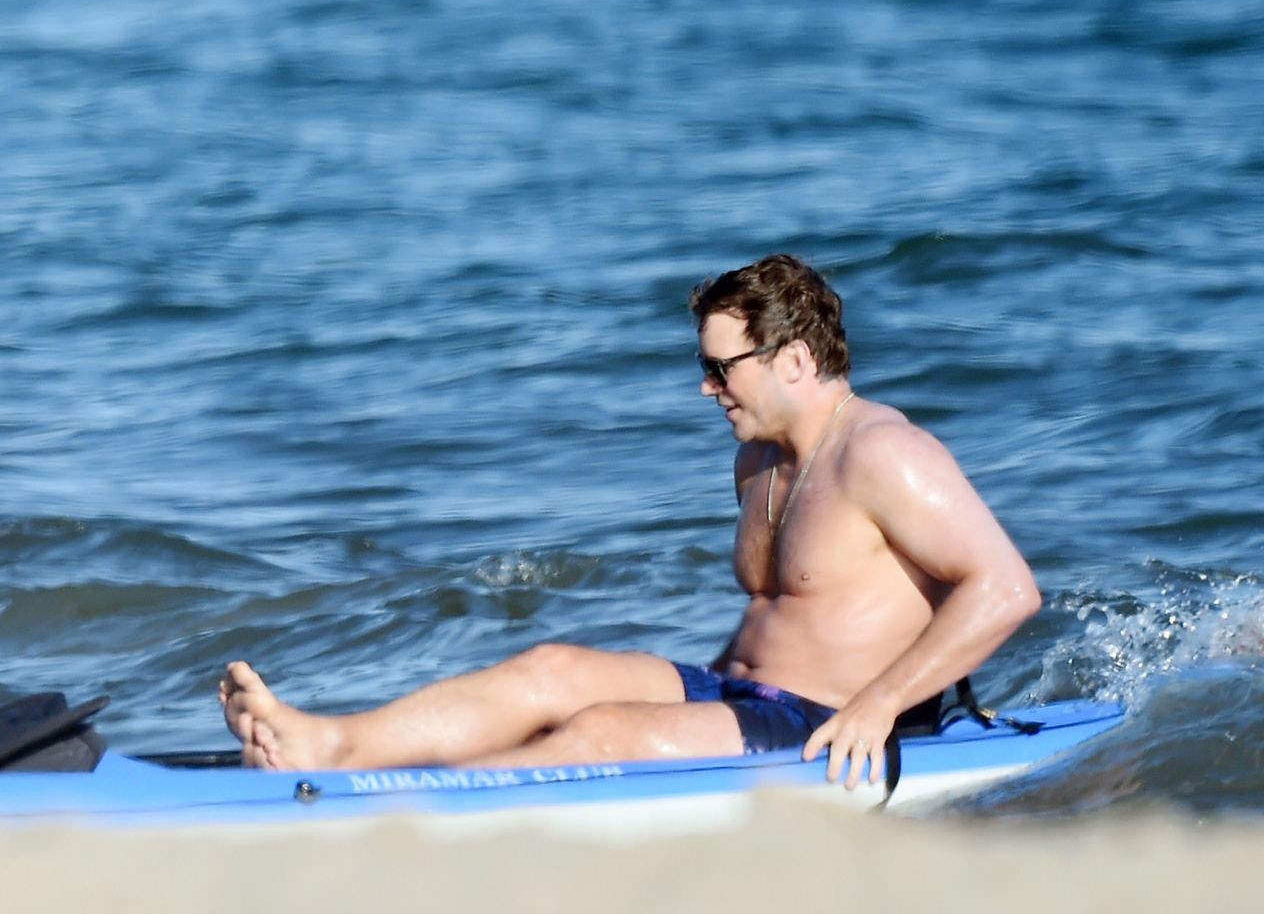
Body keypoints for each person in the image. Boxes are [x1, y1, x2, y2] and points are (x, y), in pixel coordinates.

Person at [220, 254, 1040, 787]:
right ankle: (332, 747)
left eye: (722, 369)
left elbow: (1005, 589)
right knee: (552, 670)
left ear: (794, 360)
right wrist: (688, 708)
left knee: (604, 730)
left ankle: (400, 804)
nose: (707, 388)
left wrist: (880, 705)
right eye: (703, 367)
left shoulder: (883, 452)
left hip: (826, 725)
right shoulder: (759, 459)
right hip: (741, 692)